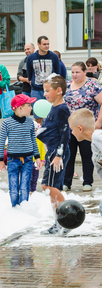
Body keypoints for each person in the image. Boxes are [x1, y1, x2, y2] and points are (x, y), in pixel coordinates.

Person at [37, 74, 71, 235]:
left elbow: (65, 134)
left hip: (57, 152)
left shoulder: (62, 109)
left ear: (58, 90)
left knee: (48, 186)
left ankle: (66, 219)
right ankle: (59, 222)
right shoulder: (54, 108)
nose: (44, 94)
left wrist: (59, 154)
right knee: (51, 186)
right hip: (53, 150)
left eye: (47, 90)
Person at [63, 61, 102, 192]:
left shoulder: (93, 86)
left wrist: (98, 123)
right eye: (72, 72)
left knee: (87, 154)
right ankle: (66, 182)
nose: (74, 75)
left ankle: (87, 182)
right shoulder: (67, 85)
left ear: (85, 72)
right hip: (70, 127)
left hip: (87, 127)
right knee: (68, 154)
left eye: (77, 72)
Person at [0, 94, 42, 207]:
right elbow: (1, 142)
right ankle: (14, 209)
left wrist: (37, 157)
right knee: (13, 187)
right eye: (28, 105)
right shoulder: (7, 123)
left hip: (28, 160)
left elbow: (33, 140)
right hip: (13, 160)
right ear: (20, 108)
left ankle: (24, 209)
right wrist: (0, 160)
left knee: (25, 187)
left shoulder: (30, 122)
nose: (31, 108)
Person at [26, 36, 61, 123]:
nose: (47, 46)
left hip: (51, 89)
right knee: (38, 116)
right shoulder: (31, 58)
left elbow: (57, 72)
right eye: (44, 44)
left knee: (51, 116)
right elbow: (29, 74)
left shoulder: (54, 56)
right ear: (38, 45)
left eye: (48, 44)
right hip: (36, 90)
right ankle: (39, 135)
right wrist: (32, 81)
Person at [68, 109, 102, 182]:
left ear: (80, 129)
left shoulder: (97, 137)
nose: (72, 133)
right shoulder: (93, 144)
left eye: (72, 129)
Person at [30, 121, 46, 194]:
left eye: (35, 130)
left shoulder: (39, 140)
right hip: (28, 161)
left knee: (35, 176)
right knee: (28, 177)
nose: (34, 132)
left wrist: (43, 159)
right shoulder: (27, 140)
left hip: (37, 161)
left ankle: (33, 189)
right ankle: (28, 189)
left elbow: (42, 150)